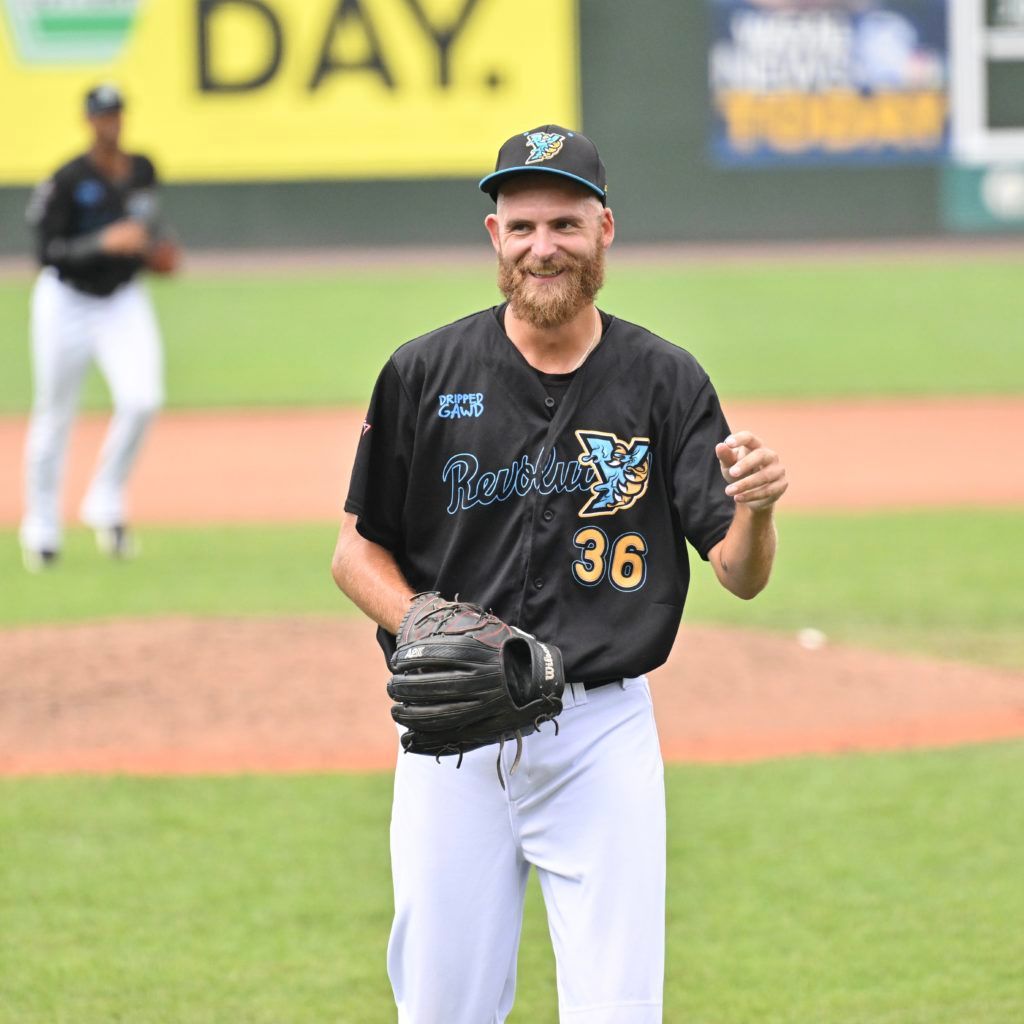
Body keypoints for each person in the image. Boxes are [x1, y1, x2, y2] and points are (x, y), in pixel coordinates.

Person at [332, 125, 788, 1023]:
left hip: (599, 736)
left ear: (605, 231)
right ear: (495, 237)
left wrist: (760, 506)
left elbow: (739, 573)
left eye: (567, 226)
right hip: (449, 733)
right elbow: (357, 552)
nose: (545, 247)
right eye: (524, 225)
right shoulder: (424, 372)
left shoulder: (665, 381)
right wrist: (421, 624)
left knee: (618, 1007)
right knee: (440, 1006)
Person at [20, 82, 180, 571]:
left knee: (143, 398)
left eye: (115, 113)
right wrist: (102, 242)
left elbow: (150, 231)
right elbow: (47, 252)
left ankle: (104, 501)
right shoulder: (68, 179)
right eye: (101, 115)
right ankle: (42, 527)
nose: (110, 122)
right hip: (65, 299)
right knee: (54, 412)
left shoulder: (141, 170)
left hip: (121, 300)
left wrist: (157, 253)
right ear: (88, 121)